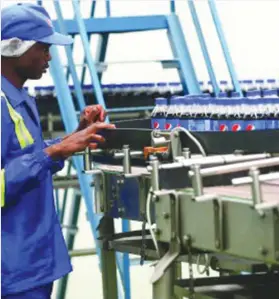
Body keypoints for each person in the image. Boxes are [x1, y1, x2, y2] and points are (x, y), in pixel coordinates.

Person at [1, 3, 115, 298]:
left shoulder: (19, 97)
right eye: (43, 47)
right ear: (16, 49)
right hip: (11, 270)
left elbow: (27, 157)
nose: (49, 56)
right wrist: (55, 152)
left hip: (32, 259)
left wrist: (75, 135)